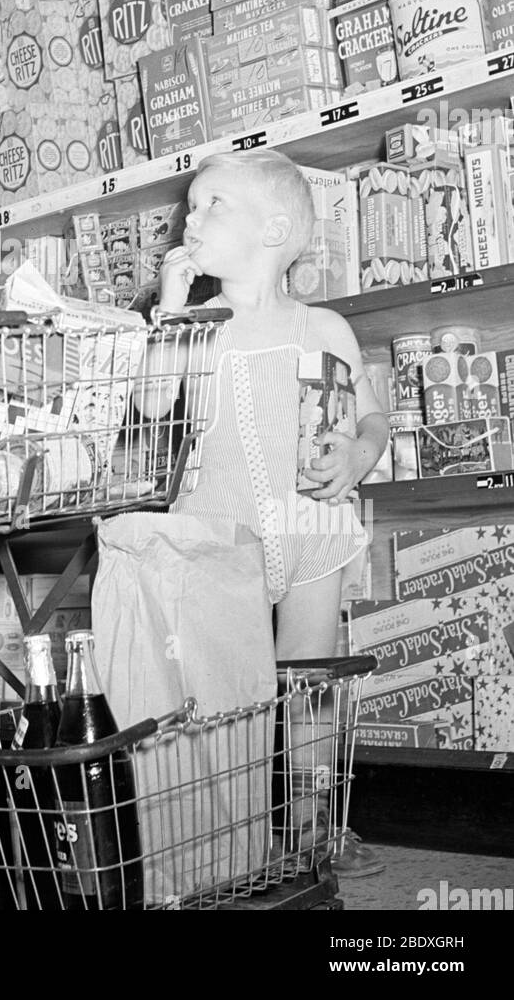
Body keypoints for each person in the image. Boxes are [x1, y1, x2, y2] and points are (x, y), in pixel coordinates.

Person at [146, 147, 388, 880]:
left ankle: (313, 826)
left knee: (308, 689)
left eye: (213, 203)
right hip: (224, 541)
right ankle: (237, 841)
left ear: (275, 229)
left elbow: (365, 421)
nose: (193, 217)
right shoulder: (193, 330)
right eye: (190, 206)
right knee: (231, 698)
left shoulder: (322, 328)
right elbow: (152, 403)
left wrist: (353, 457)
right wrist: (169, 310)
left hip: (310, 533)